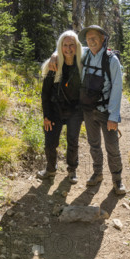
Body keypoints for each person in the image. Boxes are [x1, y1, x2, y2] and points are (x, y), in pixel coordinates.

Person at [49, 25, 126, 195]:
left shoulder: (112, 60)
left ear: (103, 39)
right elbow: (66, 46)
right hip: (88, 111)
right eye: (88, 38)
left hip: (107, 112)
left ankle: (117, 180)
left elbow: (117, 89)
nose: (91, 41)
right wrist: (55, 54)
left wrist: (114, 116)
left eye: (95, 38)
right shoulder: (84, 53)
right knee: (94, 144)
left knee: (112, 147)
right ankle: (97, 174)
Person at [37, 31, 84, 184]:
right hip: (55, 109)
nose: (68, 48)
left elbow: (92, 50)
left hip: (75, 110)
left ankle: (72, 170)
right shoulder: (54, 65)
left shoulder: (82, 64)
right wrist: (46, 116)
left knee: (73, 140)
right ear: (60, 46)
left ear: (77, 46)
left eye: (72, 45)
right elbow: (45, 93)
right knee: (50, 141)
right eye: (65, 45)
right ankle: (50, 169)